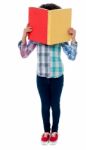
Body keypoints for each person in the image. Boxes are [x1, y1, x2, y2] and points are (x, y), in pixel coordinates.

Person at [18, 3, 78, 145]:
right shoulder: (37, 37)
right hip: (41, 77)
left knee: (55, 104)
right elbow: (24, 54)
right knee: (45, 104)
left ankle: (55, 130)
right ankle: (46, 131)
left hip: (57, 76)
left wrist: (73, 38)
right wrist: (24, 35)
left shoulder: (60, 37)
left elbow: (72, 56)